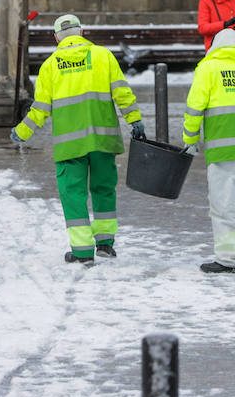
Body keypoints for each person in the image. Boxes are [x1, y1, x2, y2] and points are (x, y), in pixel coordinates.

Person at [11, 13, 145, 264]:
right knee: (104, 189)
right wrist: (134, 119)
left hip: (69, 143)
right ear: (82, 32)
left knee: (73, 194)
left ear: (56, 38)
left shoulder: (50, 66)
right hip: (103, 139)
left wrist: (22, 132)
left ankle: (82, 251)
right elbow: (122, 92)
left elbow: (40, 109)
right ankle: (105, 243)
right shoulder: (103, 56)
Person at [182, 27, 235, 273]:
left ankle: (230, 258)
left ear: (215, 46)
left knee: (224, 203)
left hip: (221, 150)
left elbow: (194, 108)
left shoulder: (207, 69)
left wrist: (190, 139)